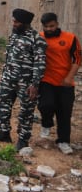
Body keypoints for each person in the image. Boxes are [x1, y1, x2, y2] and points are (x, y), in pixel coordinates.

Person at [0, 9, 47, 151]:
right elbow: (9, 58)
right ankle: (4, 133)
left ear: (25, 23)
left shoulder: (36, 39)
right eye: (13, 20)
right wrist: (2, 76)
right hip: (8, 79)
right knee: (3, 106)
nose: (13, 23)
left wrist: (35, 84)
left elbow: (40, 64)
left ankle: (23, 140)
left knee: (26, 111)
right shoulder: (14, 36)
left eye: (16, 22)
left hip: (25, 84)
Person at [37, 13, 81, 154]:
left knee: (64, 113)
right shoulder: (39, 38)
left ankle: (63, 141)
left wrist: (69, 77)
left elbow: (77, 59)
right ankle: (46, 124)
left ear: (57, 24)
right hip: (46, 80)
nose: (49, 29)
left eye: (52, 26)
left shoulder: (70, 38)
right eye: (46, 27)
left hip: (65, 82)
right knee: (45, 105)